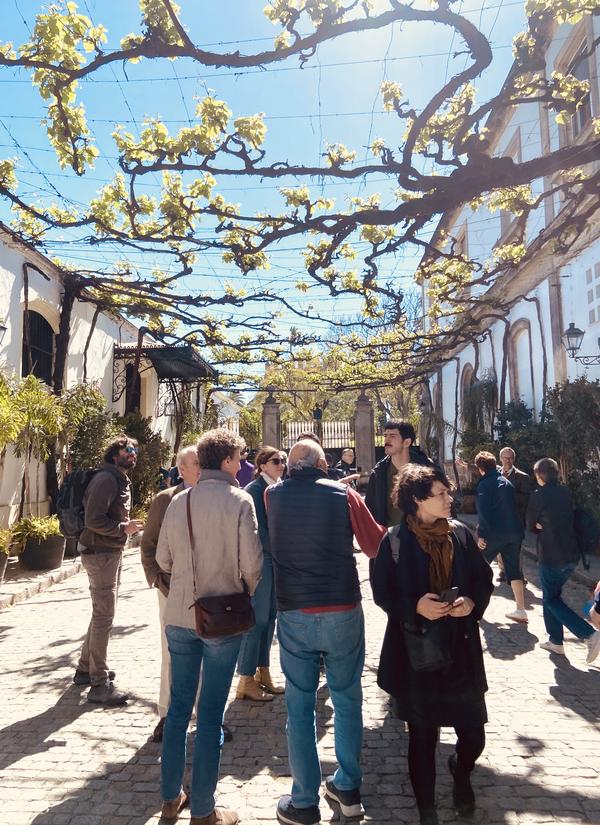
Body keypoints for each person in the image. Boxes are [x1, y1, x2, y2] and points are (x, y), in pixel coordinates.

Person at [266, 439, 386, 825]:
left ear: (290, 465)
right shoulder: (344, 494)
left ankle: (303, 801)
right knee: (347, 699)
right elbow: (374, 545)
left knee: (299, 707)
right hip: (341, 607)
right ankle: (348, 787)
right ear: (323, 464)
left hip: (295, 609)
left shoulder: (271, 495)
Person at [372, 464, 493, 825]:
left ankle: (462, 771)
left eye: (447, 491)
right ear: (417, 499)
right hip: (417, 652)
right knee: (422, 737)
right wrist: (415, 606)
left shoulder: (461, 535)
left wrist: (471, 602)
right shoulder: (395, 541)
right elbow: (382, 592)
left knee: (473, 736)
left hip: (461, 649)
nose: (448, 498)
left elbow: (482, 579)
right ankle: (427, 811)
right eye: (440, 493)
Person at [157, 428, 263, 825]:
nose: (242, 464)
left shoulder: (179, 501)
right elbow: (252, 563)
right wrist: (244, 590)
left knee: (178, 709)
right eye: (238, 458)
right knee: (210, 715)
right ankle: (203, 809)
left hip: (180, 616)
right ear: (226, 460)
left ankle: (171, 797)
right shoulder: (240, 500)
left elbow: (163, 559)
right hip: (222, 617)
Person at [74, 435, 144, 706]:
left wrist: (123, 529)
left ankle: (85, 668)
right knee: (104, 616)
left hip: (108, 552)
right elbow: (93, 519)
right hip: (100, 553)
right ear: (115, 455)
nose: (133, 454)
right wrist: (123, 529)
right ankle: (99, 684)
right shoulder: (106, 479)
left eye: (135, 450)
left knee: (100, 613)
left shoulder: (118, 478)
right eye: (128, 450)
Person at [141, 444, 200, 742]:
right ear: (181, 469)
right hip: (171, 588)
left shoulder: (214, 495)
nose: (201, 468)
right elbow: (149, 543)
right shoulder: (165, 500)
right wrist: (156, 578)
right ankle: (167, 713)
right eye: (196, 463)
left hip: (208, 588)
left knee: (209, 652)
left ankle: (207, 715)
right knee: (171, 652)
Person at [526, 457, 600, 662]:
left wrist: (539, 525)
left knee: (551, 599)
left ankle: (589, 634)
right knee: (551, 596)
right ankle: (556, 640)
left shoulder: (538, 495)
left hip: (551, 555)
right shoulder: (565, 492)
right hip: (571, 554)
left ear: (540, 475)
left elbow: (530, 524)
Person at [236, 446, 285, 702]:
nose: (281, 464)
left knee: (270, 617)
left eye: (283, 460)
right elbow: (257, 531)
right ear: (262, 465)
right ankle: (245, 678)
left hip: (275, 560)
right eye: (276, 461)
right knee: (256, 620)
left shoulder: (277, 487)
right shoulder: (254, 490)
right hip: (261, 560)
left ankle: (263, 671)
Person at [474, 451, 528, 623]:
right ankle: (521, 609)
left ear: (480, 468)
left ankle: (475, 607)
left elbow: (483, 512)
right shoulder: (507, 482)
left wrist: (481, 535)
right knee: (514, 571)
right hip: (514, 532)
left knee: (478, 567)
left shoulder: (484, 485)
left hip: (495, 534)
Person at [365, 420, 434, 527]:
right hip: (388, 535)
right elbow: (369, 510)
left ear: (406, 442)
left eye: (392, 436)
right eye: (385, 435)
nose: (387, 440)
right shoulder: (378, 473)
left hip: (421, 534)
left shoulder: (427, 470)